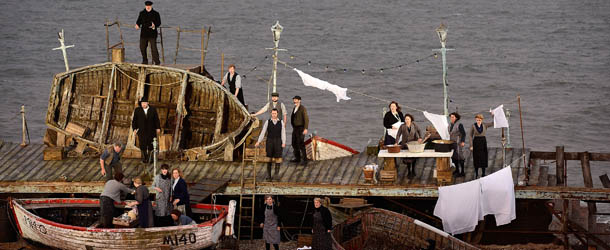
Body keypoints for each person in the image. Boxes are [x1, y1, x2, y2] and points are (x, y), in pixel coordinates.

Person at [256, 109, 286, 181]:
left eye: (275, 113)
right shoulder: (267, 122)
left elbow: (283, 133)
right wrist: (258, 141)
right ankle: (269, 176)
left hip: (278, 141)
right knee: (269, 158)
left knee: (278, 158)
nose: (274, 115)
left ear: (277, 114)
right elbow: (263, 132)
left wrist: (284, 142)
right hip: (269, 141)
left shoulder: (281, 122)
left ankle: (276, 175)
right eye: (272, 113)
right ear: (271, 114)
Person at [132, 96, 161, 163]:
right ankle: (144, 159)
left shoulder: (153, 109)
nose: (143, 104)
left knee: (151, 145)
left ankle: (150, 159)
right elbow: (134, 120)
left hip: (151, 130)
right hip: (142, 131)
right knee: (143, 145)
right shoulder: (137, 110)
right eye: (142, 103)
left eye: (145, 103)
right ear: (141, 103)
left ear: (147, 103)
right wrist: (134, 129)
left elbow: (156, 119)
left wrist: (158, 127)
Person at [469, 114, 494, 178]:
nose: (478, 121)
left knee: (483, 157)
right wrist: (471, 145)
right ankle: (476, 174)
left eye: (479, 120)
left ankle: (483, 173)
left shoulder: (485, 125)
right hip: (476, 142)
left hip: (483, 142)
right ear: (475, 119)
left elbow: (493, 123)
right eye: (477, 120)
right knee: (476, 158)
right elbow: (470, 136)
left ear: (482, 120)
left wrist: (493, 115)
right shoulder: (473, 126)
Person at [290, 96, 309, 165]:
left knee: (301, 144)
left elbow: (306, 119)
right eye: (294, 100)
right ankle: (297, 158)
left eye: (296, 100)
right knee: (294, 143)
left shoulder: (302, 108)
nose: (294, 101)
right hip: (295, 128)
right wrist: (293, 126)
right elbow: (292, 117)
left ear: (299, 100)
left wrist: (305, 128)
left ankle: (305, 160)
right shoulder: (294, 108)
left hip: (301, 128)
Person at [449, 112, 466, 177]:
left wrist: (463, 141)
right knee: (454, 157)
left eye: (453, 117)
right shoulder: (450, 125)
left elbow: (463, 133)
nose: (451, 118)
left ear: (456, 118)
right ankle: (457, 170)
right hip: (452, 143)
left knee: (460, 157)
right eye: (451, 117)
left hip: (458, 143)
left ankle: (462, 172)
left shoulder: (459, 124)